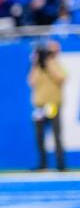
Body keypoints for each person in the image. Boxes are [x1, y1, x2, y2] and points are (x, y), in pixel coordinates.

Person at [28, 40, 67, 171]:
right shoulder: (37, 67)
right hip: (40, 105)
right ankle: (42, 163)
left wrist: (49, 63)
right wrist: (35, 63)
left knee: (56, 135)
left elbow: (62, 78)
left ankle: (60, 164)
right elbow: (31, 82)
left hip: (52, 104)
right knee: (39, 136)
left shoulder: (56, 64)